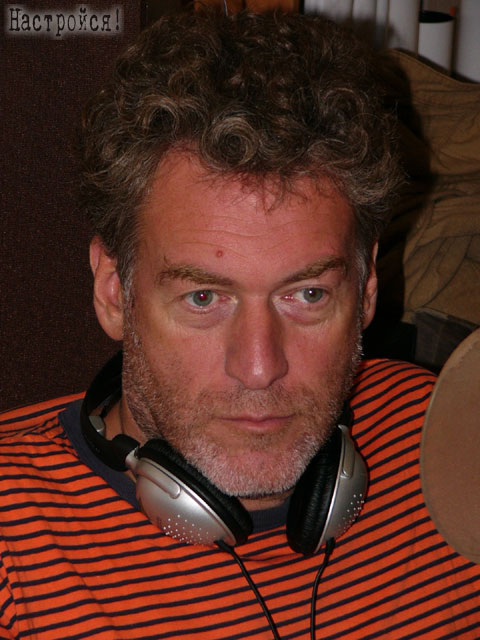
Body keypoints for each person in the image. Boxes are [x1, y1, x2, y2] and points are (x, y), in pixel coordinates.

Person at [0, 8, 479, 640]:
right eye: (204, 298)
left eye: (307, 294)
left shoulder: (451, 439)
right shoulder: (13, 541)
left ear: (365, 293)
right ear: (114, 291)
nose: (259, 367)